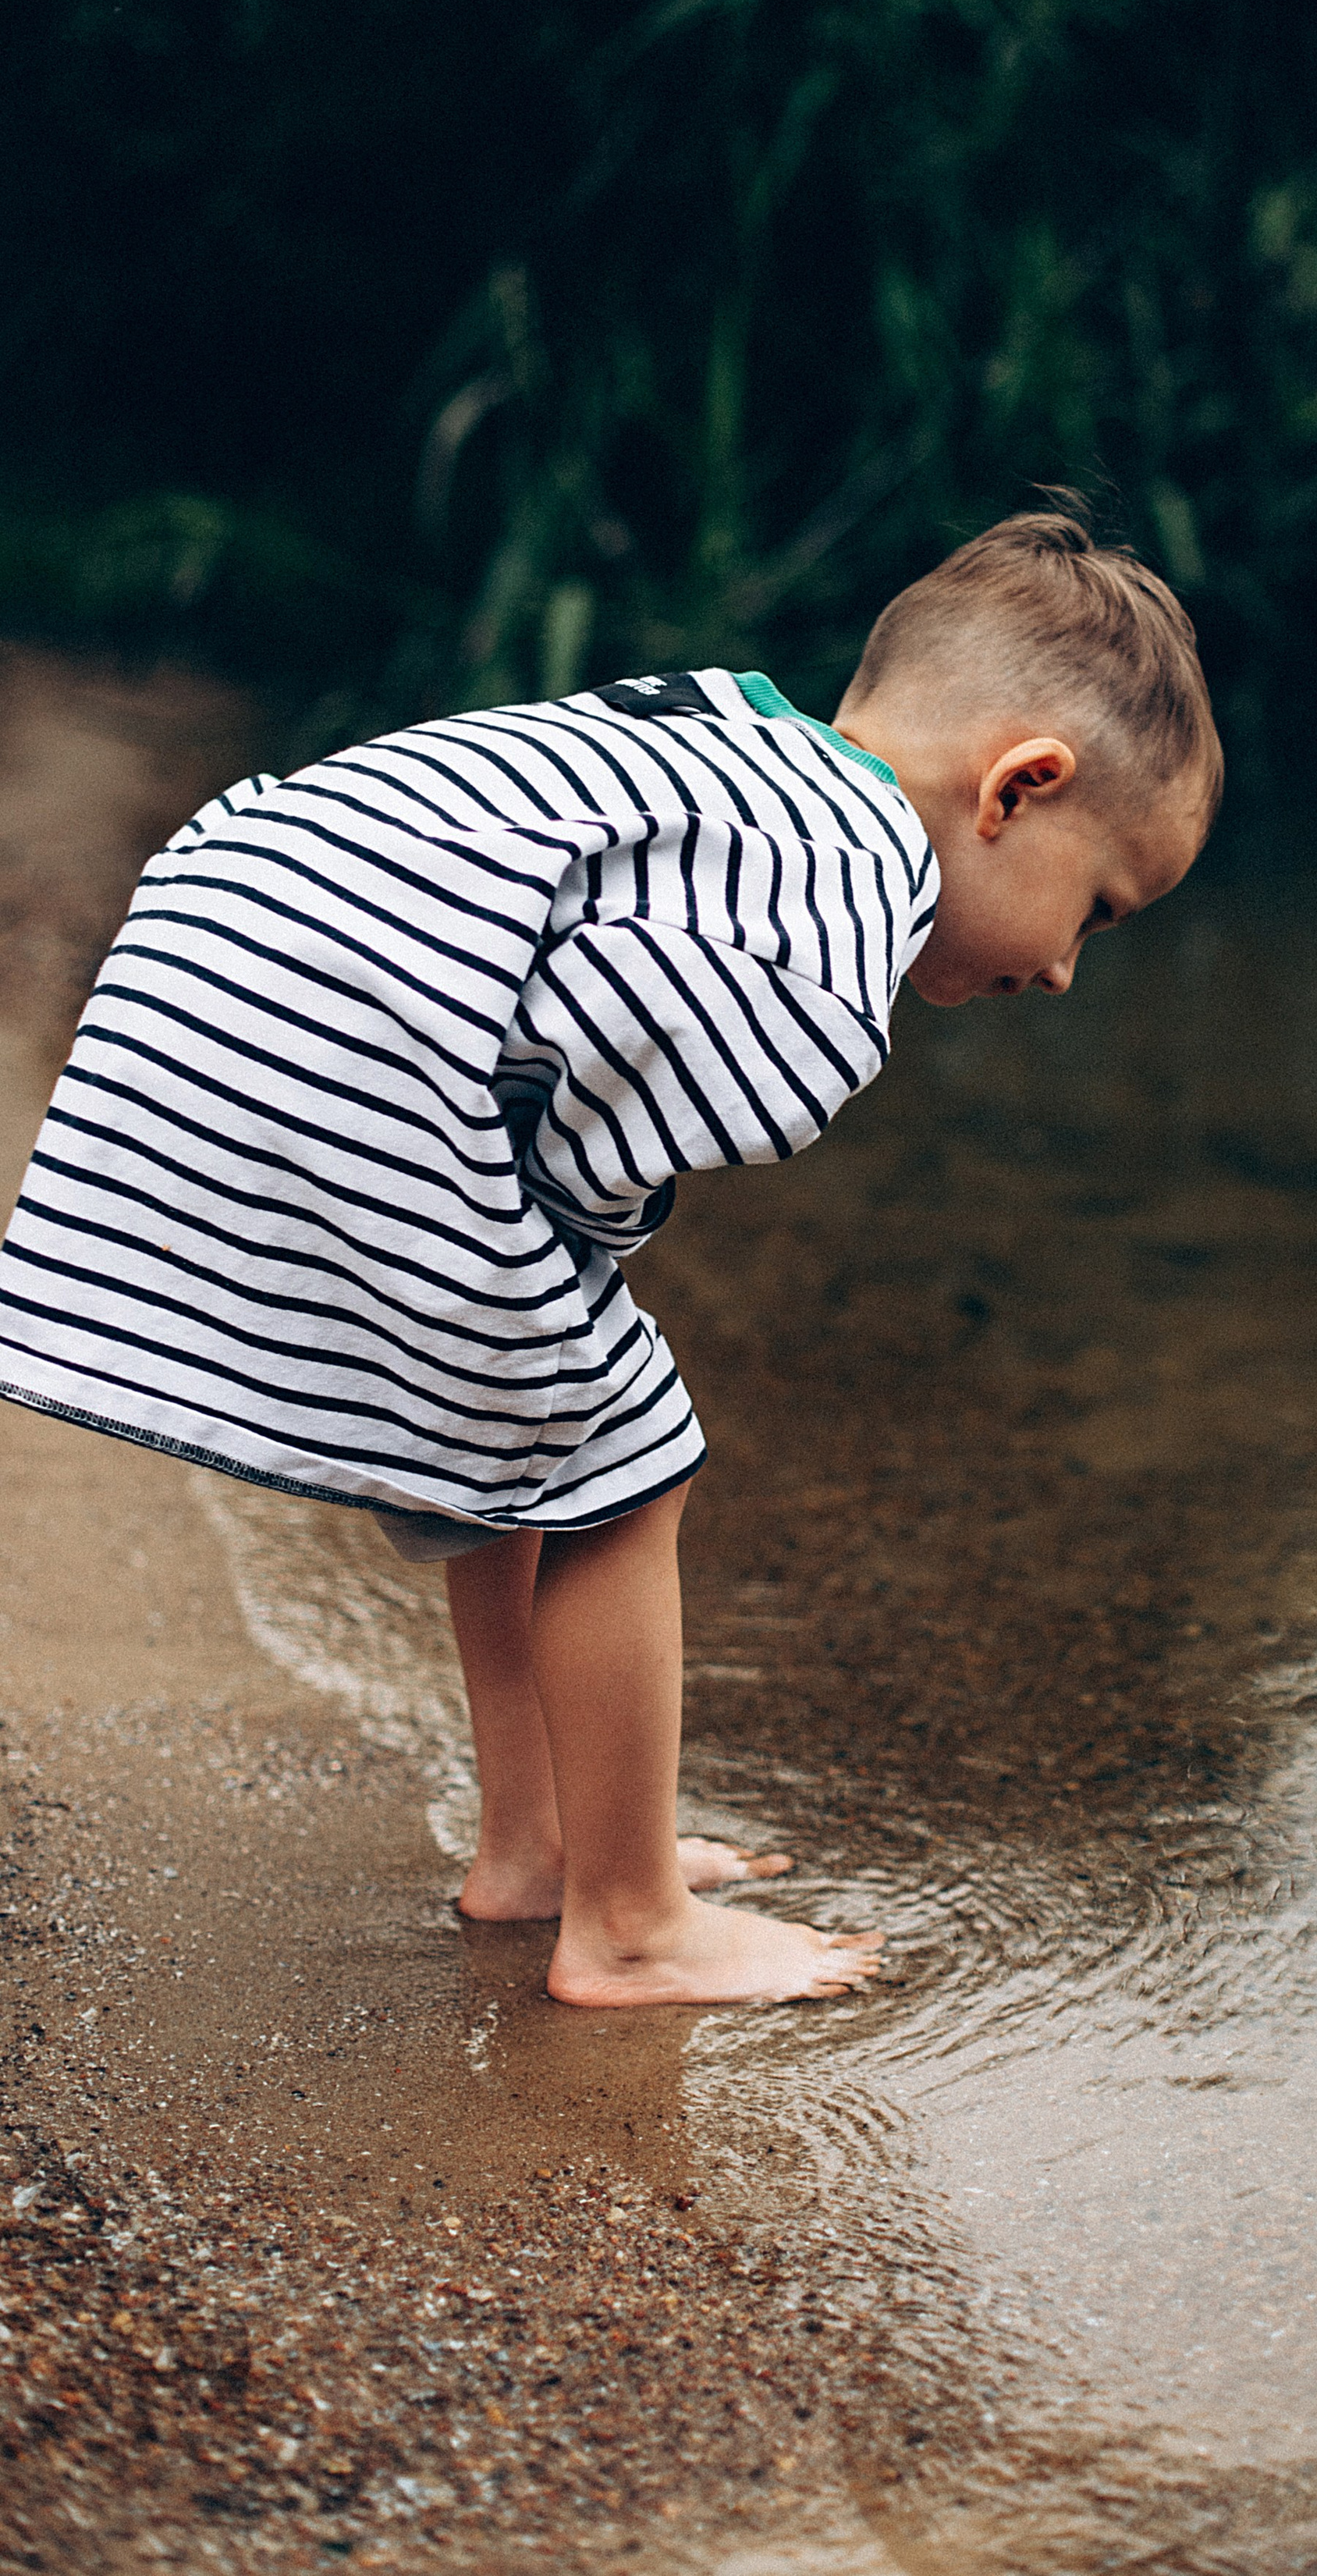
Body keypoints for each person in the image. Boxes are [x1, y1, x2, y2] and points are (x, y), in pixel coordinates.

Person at [0, 508, 1222, 2004]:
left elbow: (566, 984)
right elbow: (616, 1132)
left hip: (235, 933)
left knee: (536, 1428)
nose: (1060, 968)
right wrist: (568, 1271)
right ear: (1018, 789)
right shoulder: (836, 915)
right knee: (626, 1460)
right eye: (1094, 906)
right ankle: (631, 1924)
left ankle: (543, 1848)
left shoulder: (742, 750)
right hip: (334, 1014)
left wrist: (545, 1289)